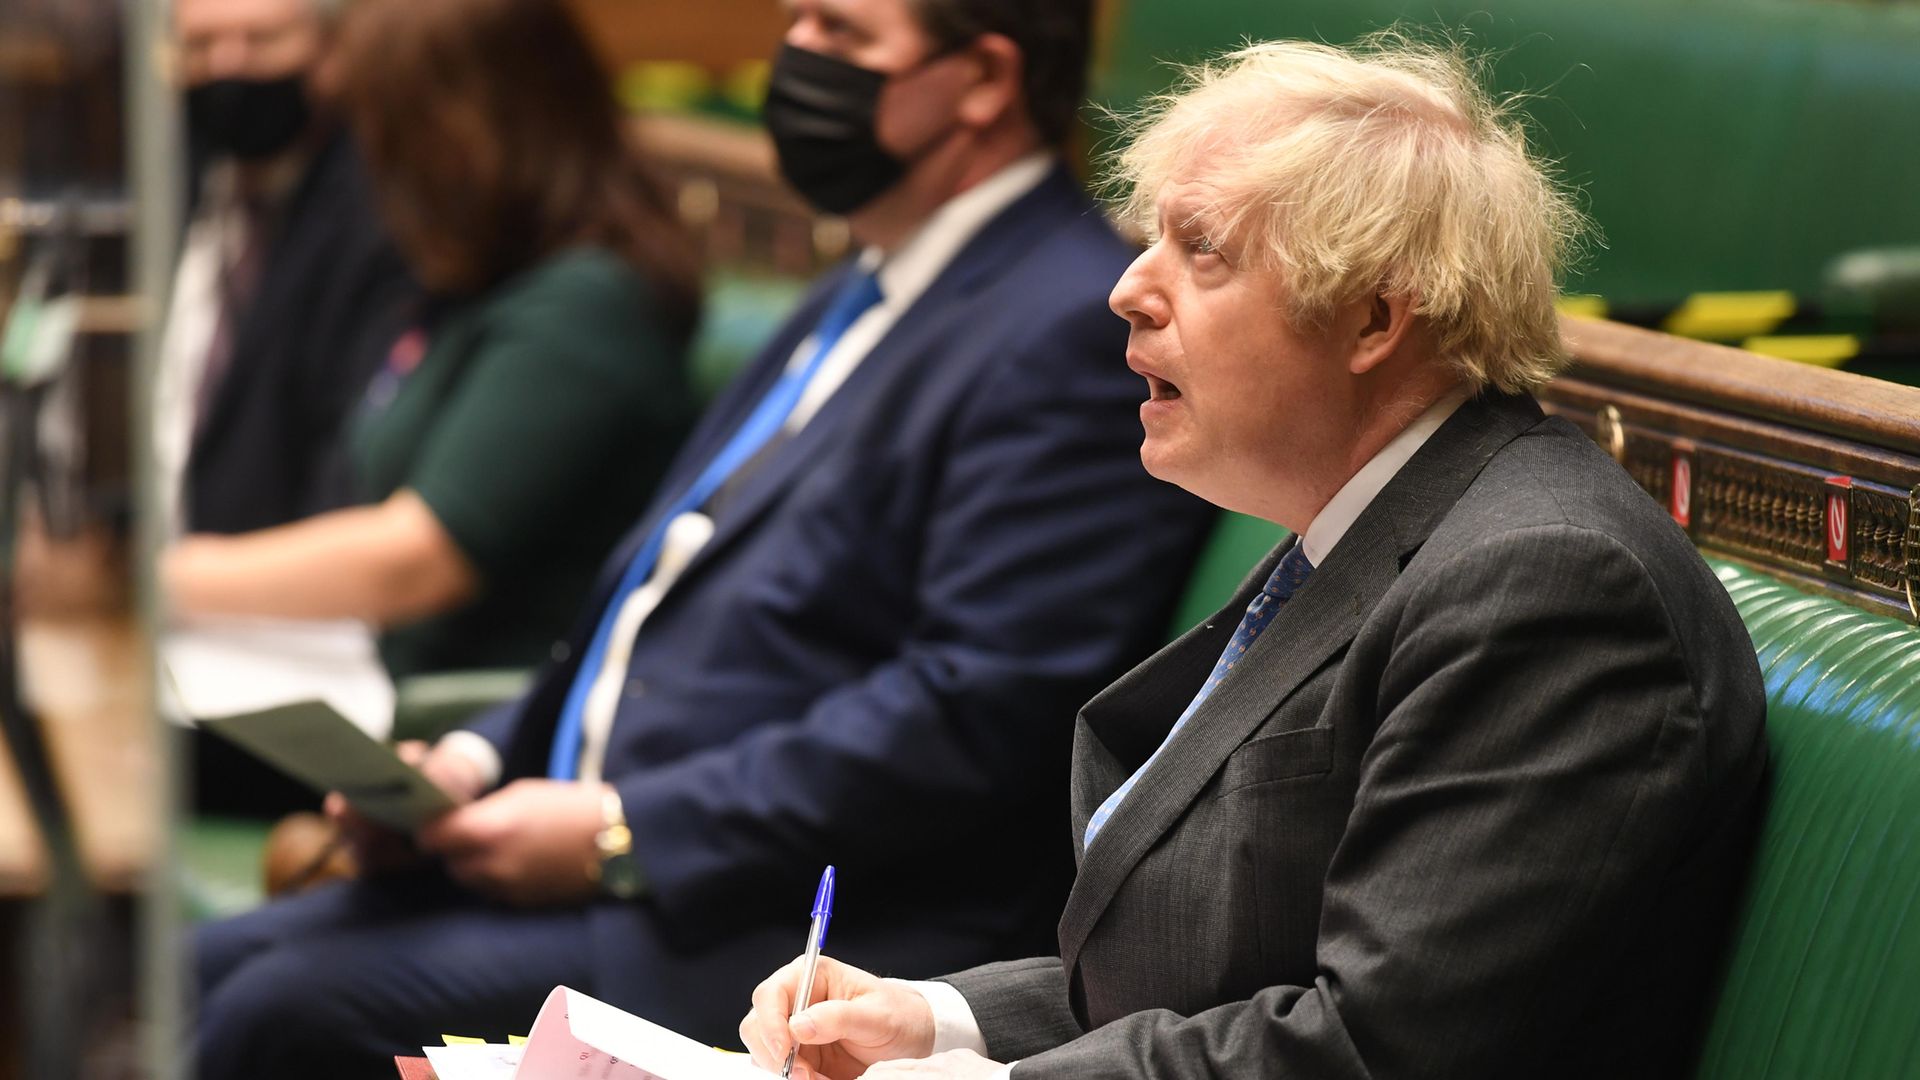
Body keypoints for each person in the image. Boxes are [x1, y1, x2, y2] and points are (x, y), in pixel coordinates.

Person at [189, 0, 1213, 1076]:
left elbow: (973, 711)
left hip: (788, 926)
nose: (795, 58)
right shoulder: (868, 282)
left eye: (841, 35)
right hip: (616, 869)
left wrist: (621, 829)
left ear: (982, 81)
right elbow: (645, 596)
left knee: (280, 1011)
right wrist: (475, 758)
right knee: (194, 972)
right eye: (797, 23)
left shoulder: (1064, 325)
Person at [738, 34, 1770, 1080]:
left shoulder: (1545, 585)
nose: (1127, 289)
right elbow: (1206, 978)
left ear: (1372, 314)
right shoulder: (1373, 525)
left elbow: (1376, 1048)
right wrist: (932, 1023)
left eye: (1203, 249)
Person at [161, 0, 703, 681]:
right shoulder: (480, 280)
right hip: (366, 677)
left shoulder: (589, 306)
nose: (375, 166)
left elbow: (416, 559)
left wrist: (163, 580)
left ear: (475, 127)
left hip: (473, 728)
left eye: (392, 133)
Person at [157, 0, 418, 539]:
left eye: (262, 41)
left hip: (293, 593)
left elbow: (350, 461)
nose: (228, 67)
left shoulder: (380, 218)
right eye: (201, 46)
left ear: (330, 53)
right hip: (180, 582)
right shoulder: (175, 186)